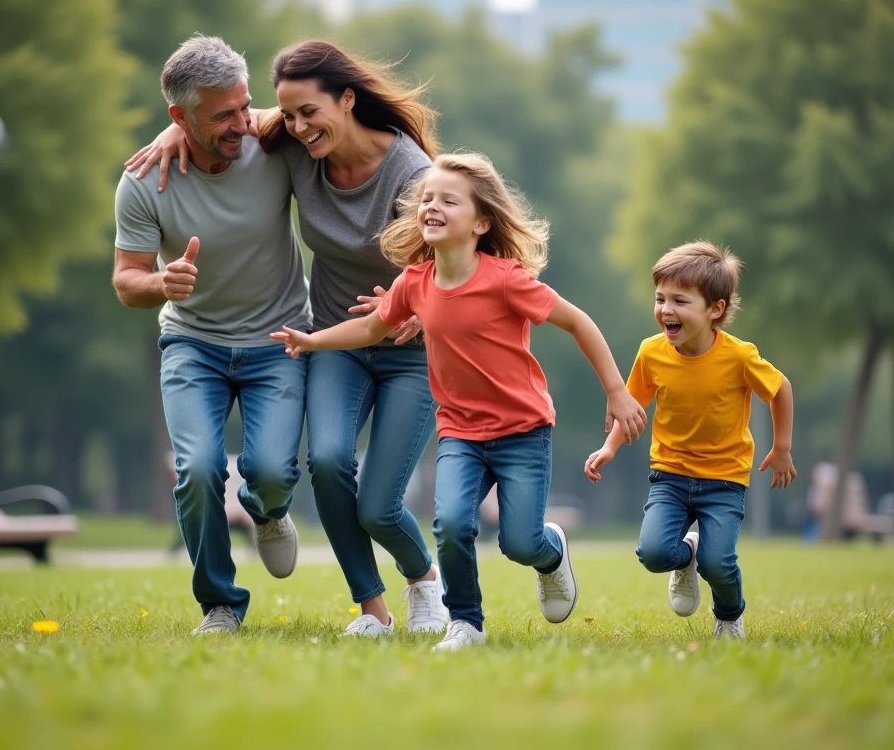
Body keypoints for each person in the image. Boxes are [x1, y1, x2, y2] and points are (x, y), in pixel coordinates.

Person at [127, 40, 447, 638]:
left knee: (379, 504)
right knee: (326, 462)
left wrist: (424, 311)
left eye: (309, 113)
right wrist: (174, 135)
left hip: (409, 349)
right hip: (332, 340)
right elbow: (223, 120)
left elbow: (459, 263)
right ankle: (370, 610)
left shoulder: (413, 175)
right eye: (289, 115)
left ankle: (424, 582)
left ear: (349, 100)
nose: (296, 125)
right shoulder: (296, 148)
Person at [272, 152, 648, 651]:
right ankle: (465, 622)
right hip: (461, 432)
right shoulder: (414, 282)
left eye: (449, 200)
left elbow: (578, 322)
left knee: (519, 542)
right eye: (427, 198)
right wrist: (313, 341)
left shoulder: (506, 279)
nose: (432, 206)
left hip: (523, 431)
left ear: (481, 222)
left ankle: (550, 551)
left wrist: (617, 390)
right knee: (450, 524)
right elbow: (369, 327)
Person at [113, 36, 312, 636]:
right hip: (193, 343)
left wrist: (235, 121)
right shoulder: (145, 181)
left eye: (244, 106)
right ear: (180, 116)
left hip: (277, 338)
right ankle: (220, 606)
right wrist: (162, 283)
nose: (240, 123)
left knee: (272, 470)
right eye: (221, 115)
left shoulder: (269, 141)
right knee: (197, 468)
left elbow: (318, 114)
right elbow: (126, 281)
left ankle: (267, 510)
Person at [584, 241, 796, 640]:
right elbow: (632, 409)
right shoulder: (652, 353)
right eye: (660, 298)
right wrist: (609, 447)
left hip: (724, 480)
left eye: (680, 300)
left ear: (715, 309)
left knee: (718, 564)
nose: (666, 309)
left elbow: (780, 388)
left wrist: (781, 447)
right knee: (653, 553)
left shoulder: (739, 357)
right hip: (671, 474)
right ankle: (686, 558)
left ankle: (729, 617)